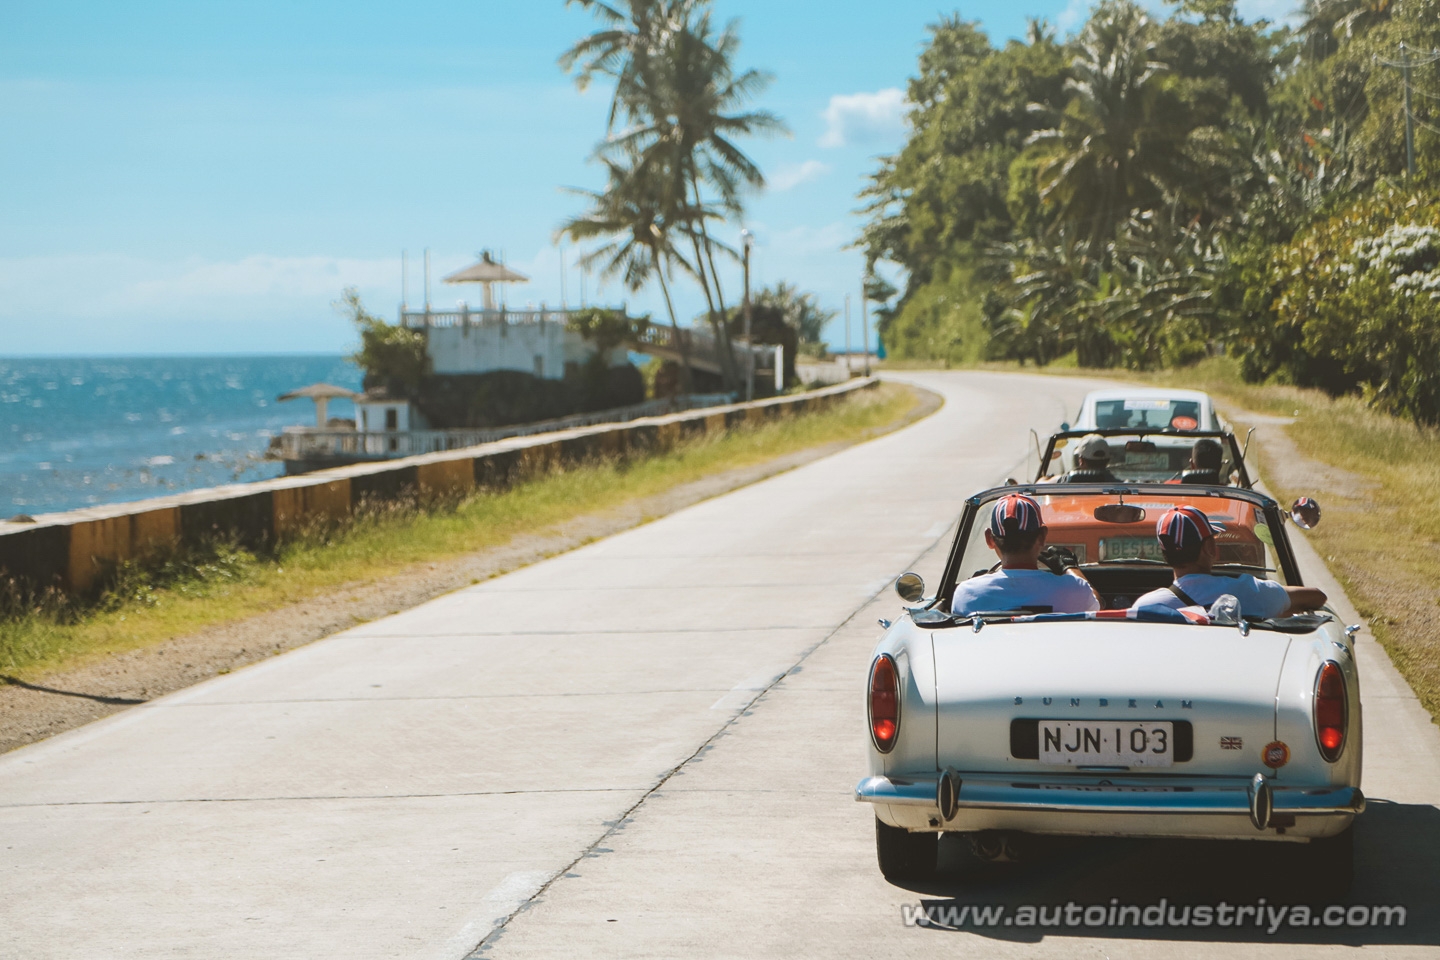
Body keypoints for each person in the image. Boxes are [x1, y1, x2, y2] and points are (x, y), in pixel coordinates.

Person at [1130, 505, 1326, 618]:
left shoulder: (1145, 606)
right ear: (1208, 549)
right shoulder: (1248, 591)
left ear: (1165, 554)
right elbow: (1316, 597)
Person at [952, 494, 1102, 615]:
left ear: (990, 540)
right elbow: (1098, 605)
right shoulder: (1074, 590)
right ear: (1042, 536)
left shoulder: (968, 594)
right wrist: (1069, 566)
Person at [1054, 434, 1118, 483]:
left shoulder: (1067, 481)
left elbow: (1046, 483)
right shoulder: (1119, 486)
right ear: (1108, 460)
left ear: (1081, 461)